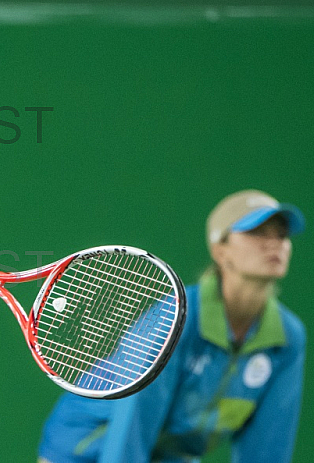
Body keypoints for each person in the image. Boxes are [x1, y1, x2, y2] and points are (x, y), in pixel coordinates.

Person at [37, 189, 306, 463]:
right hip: (85, 445)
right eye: (257, 233)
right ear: (220, 249)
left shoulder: (288, 339)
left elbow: (268, 446)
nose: (274, 244)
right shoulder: (177, 317)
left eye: (281, 235)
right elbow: (134, 424)